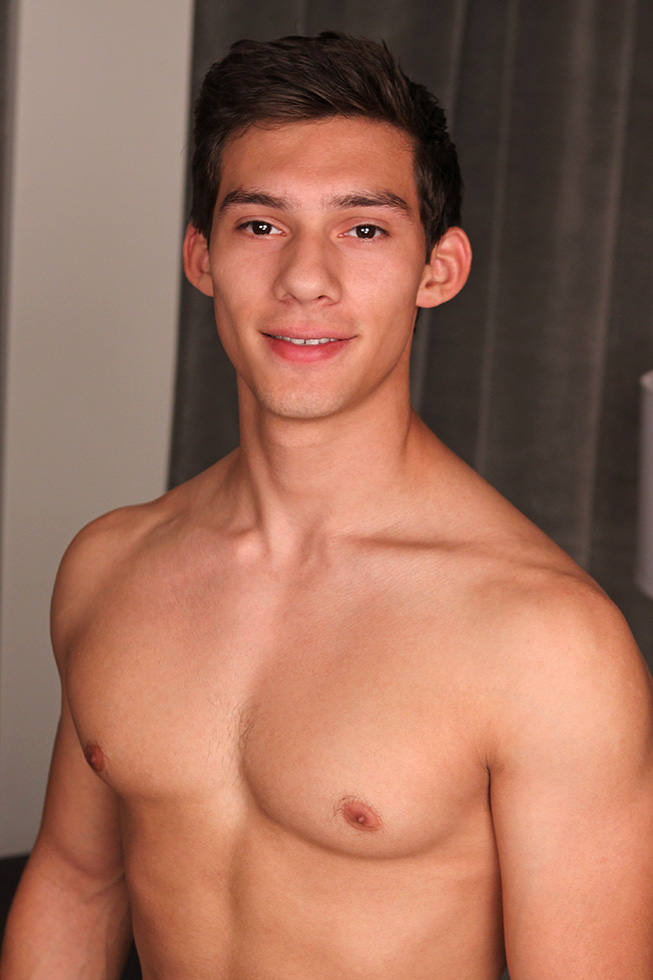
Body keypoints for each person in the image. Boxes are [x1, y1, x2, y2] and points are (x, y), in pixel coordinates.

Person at [2, 31, 652, 980]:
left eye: (364, 229)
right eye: (260, 226)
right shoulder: (111, 566)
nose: (305, 279)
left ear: (438, 269)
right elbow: (76, 887)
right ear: (201, 257)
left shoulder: (545, 643)